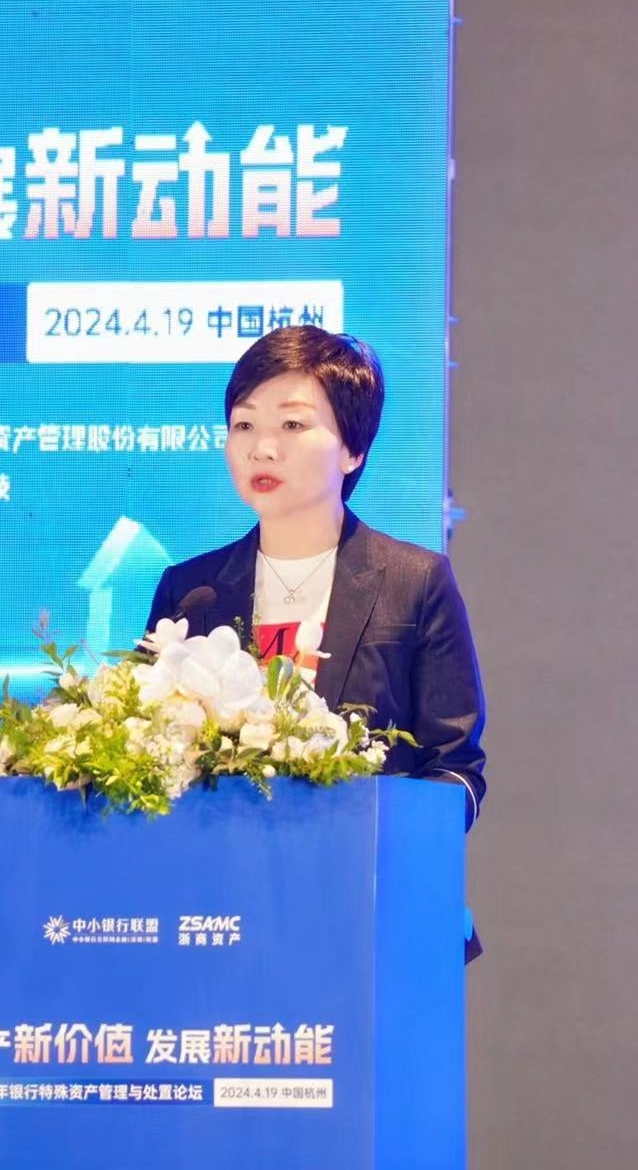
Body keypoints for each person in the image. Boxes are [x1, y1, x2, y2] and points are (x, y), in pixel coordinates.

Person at [141, 325, 487, 959]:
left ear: (352, 449)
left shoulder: (414, 582)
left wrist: (367, 844)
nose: (262, 447)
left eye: (293, 425)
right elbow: (145, 751)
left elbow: (455, 768)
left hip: (370, 923)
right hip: (214, 927)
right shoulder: (191, 592)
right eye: (244, 425)